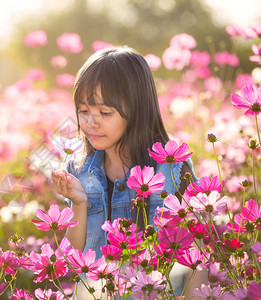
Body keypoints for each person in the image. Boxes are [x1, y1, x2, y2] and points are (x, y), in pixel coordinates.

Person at [51, 46, 197, 297]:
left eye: (105, 112)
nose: (90, 122)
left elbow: (196, 254)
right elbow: (72, 260)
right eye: (83, 111)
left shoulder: (172, 167)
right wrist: (78, 203)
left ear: (137, 109)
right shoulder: (78, 168)